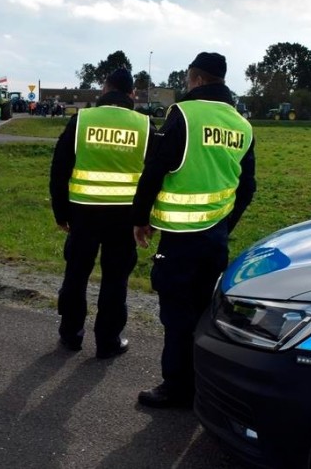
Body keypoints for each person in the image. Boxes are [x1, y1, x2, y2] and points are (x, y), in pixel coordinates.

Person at [132, 52, 256, 408]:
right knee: (206, 312)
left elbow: (156, 168)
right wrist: (224, 224)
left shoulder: (185, 114)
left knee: (176, 314)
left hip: (180, 239)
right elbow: (247, 186)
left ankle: (176, 387)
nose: (187, 85)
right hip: (215, 237)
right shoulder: (241, 125)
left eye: (188, 79)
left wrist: (141, 218)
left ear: (198, 79)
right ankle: (204, 383)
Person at [49, 68, 153, 359]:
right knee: (115, 279)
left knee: (76, 274)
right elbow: (154, 176)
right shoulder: (144, 125)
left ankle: (70, 336)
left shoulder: (82, 120)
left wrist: (61, 211)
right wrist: (145, 217)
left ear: (105, 88)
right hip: (125, 218)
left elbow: (59, 169)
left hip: (83, 213)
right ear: (131, 93)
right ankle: (108, 342)